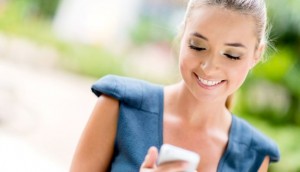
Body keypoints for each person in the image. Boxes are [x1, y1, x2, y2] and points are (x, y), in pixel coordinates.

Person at [70, 0, 280, 171]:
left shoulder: (253, 155)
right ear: (182, 35)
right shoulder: (120, 105)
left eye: (231, 55)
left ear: (256, 54)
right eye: (197, 46)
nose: (209, 67)